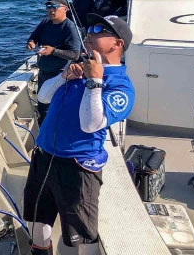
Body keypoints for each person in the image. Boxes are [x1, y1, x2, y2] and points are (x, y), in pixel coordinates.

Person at [23, 14, 135, 255]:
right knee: (37, 222)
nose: (90, 33)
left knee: (80, 237)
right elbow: (43, 97)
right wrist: (65, 76)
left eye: (99, 30)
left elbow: (90, 124)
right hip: (44, 158)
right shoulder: (77, 69)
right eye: (90, 27)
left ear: (118, 44)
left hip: (77, 166)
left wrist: (94, 80)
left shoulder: (121, 86)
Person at [26, 0, 82, 125]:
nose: (51, 10)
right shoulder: (45, 22)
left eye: (55, 6)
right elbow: (34, 36)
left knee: (56, 109)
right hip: (43, 74)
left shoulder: (70, 28)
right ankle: (43, 138)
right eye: (49, 7)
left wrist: (53, 51)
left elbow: (75, 54)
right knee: (42, 107)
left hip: (59, 76)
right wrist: (31, 43)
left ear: (65, 9)